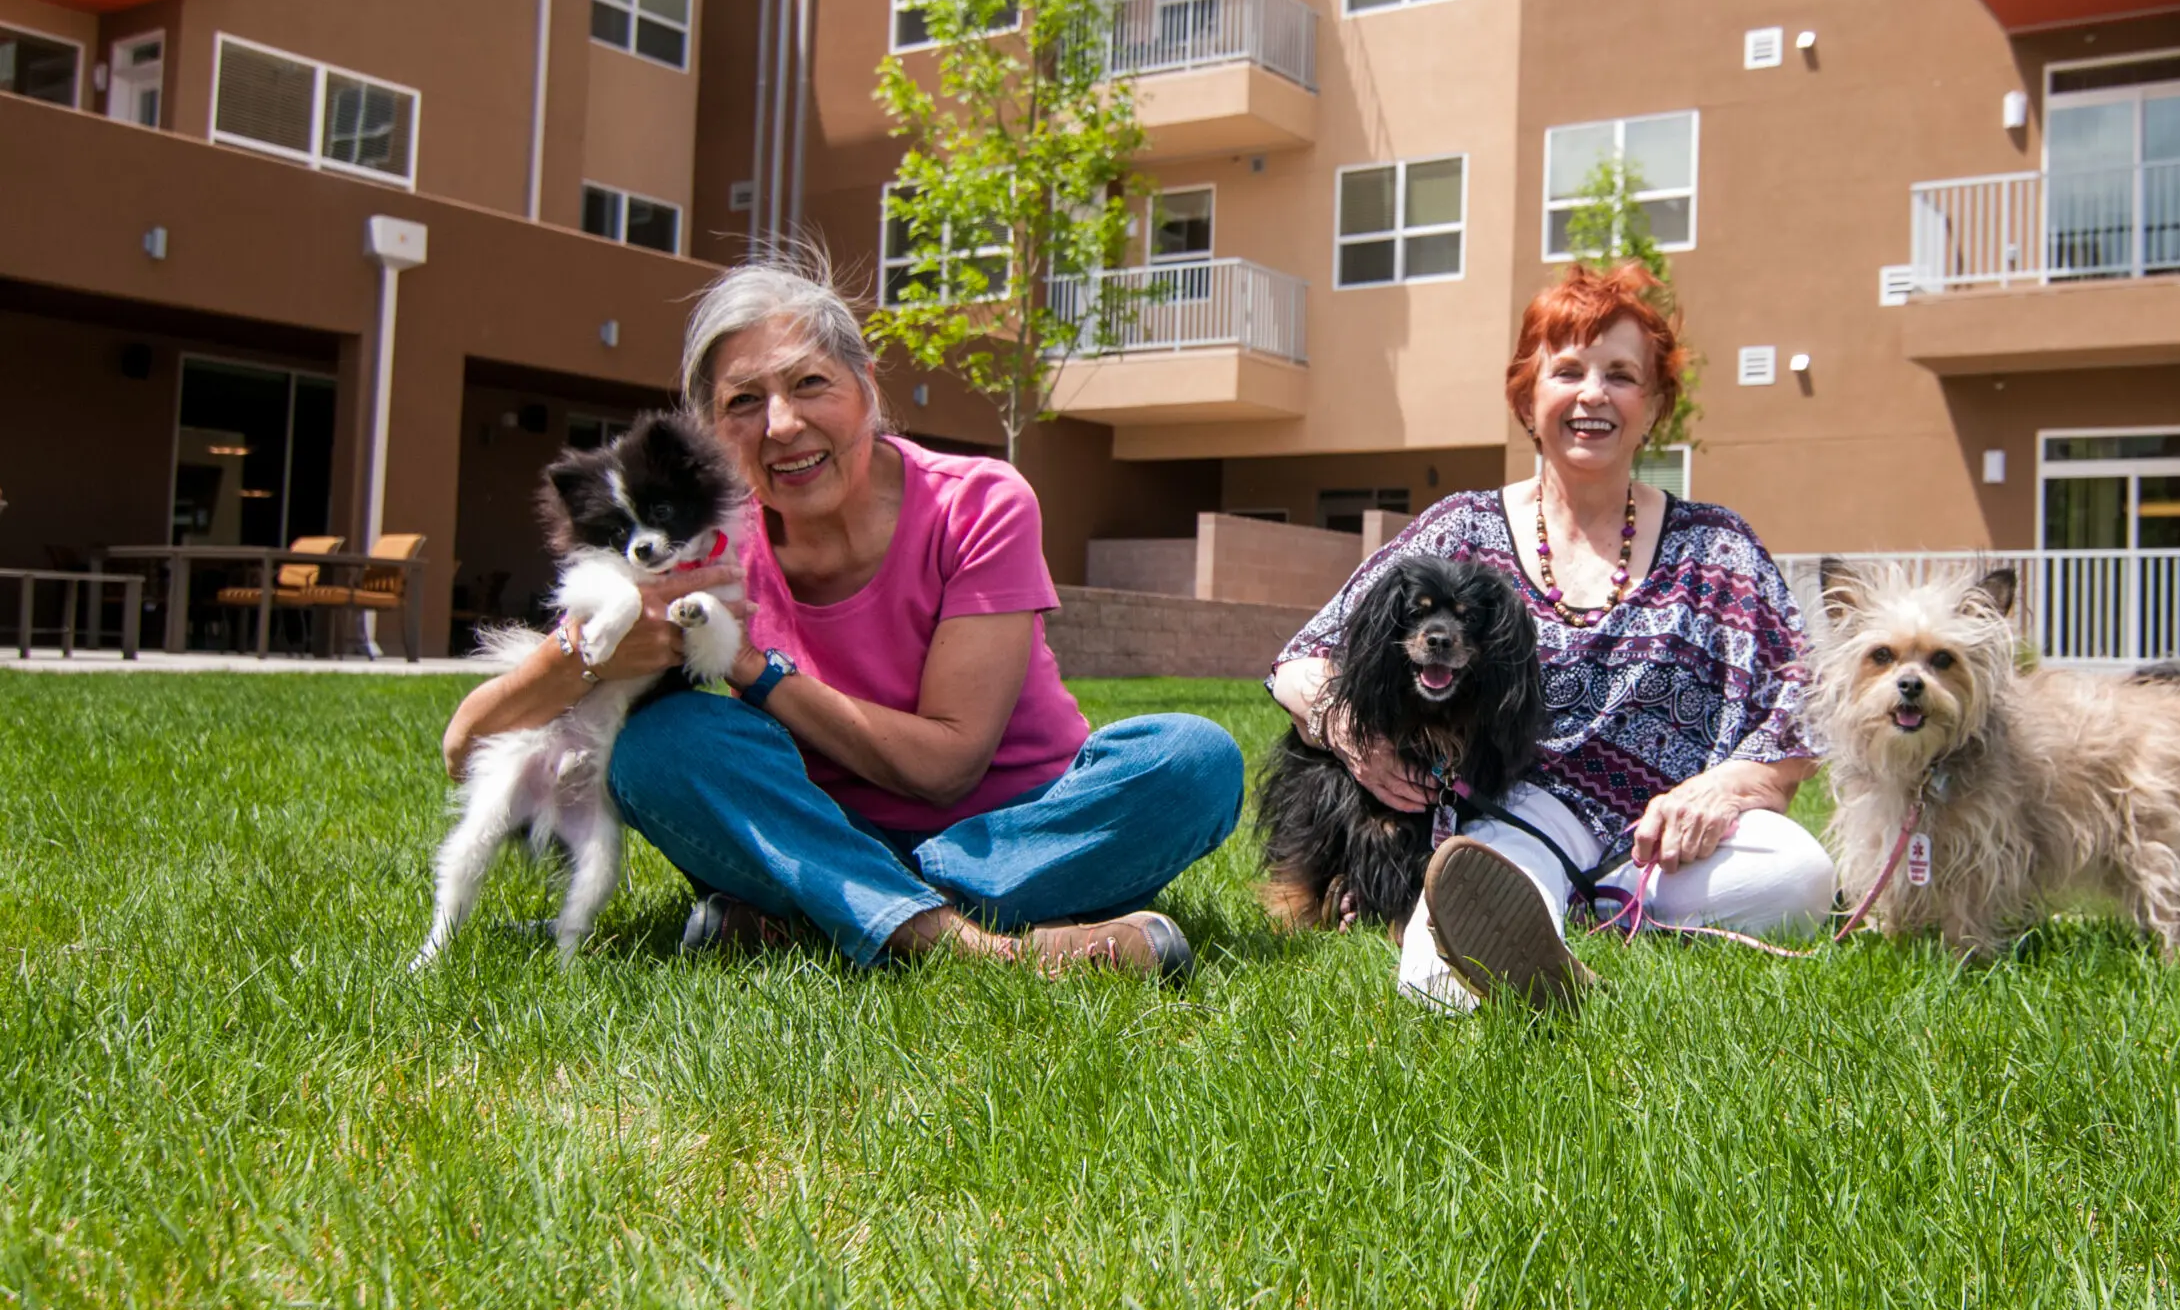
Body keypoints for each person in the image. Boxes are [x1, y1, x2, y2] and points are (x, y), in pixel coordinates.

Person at [441, 250, 1242, 976]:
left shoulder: (980, 504)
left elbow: (944, 768)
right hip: (817, 823)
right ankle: (974, 948)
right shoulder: (700, 545)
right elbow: (465, 742)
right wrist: (584, 659)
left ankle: (824, 913)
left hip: (1019, 831)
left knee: (1193, 759)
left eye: (809, 383)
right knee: (656, 747)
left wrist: (749, 664)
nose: (781, 424)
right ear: (708, 436)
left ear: (868, 387)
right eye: (743, 402)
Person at [1269, 263, 1834, 1011]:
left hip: (1659, 837)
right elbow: (1300, 662)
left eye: (1622, 375)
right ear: (1528, 398)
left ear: (1655, 404)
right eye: (1567, 371)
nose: (1594, 394)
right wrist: (1352, 736)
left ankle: (1578, 916)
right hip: (1515, 814)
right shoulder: (1461, 527)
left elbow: (1807, 701)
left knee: (1798, 877)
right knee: (1441, 975)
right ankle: (1536, 921)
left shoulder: (1719, 549)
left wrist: (1726, 787)